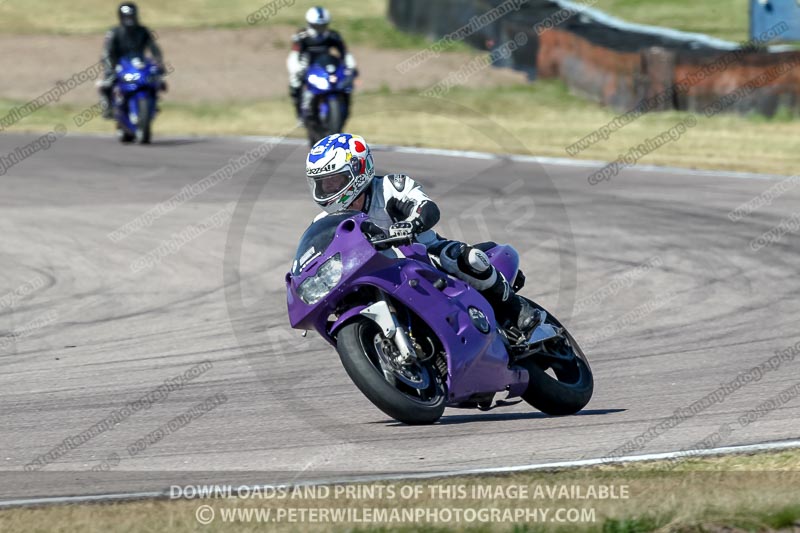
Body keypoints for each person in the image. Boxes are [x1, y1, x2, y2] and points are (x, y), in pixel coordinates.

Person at [305, 133, 542, 339]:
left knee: (467, 259)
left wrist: (412, 223)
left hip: (424, 253)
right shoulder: (323, 224)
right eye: (323, 184)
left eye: (335, 181)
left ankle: (516, 308)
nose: (329, 189)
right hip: (376, 273)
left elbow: (426, 207)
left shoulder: (390, 187)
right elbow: (314, 259)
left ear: (359, 169)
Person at [287, 6, 357, 119]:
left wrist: (351, 67)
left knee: (346, 84)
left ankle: (345, 110)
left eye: (322, 26)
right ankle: (299, 111)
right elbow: (294, 56)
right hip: (307, 67)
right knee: (295, 83)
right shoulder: (302, 37)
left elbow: (345, 53)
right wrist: (296, 70)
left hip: (326, 67)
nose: (319, 29)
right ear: (310, 24)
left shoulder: (333, 36)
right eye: (316, 26)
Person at [98, 2, 164, 118]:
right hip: (119, 64)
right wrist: (111, 67)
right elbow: (107, 52)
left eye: (131, 16)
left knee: (157, 81)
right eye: (126, 17)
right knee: (107, 84)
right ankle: (108, 108)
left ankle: (152, 104)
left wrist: (158, 62)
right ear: (121, 17)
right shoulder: (114, 32)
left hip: (138, 63)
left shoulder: (143, 31)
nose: (129, 20)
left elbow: (154, 48)